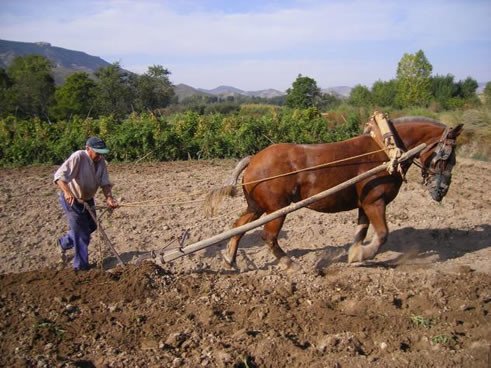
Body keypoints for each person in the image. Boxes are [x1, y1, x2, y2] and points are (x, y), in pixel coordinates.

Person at [54, 136, 118, 271]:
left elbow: (105, 183)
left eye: (101, 153)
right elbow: (59, 177)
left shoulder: (101, 162)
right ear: (88, 149)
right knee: (82, 234)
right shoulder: (78, 157)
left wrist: (109, 198)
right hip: (72, 200)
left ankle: (64, 243)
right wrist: (67, 192)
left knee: (92, 225)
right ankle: (81, 267)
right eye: (97, 152)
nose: (99, 156)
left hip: (87, 199)